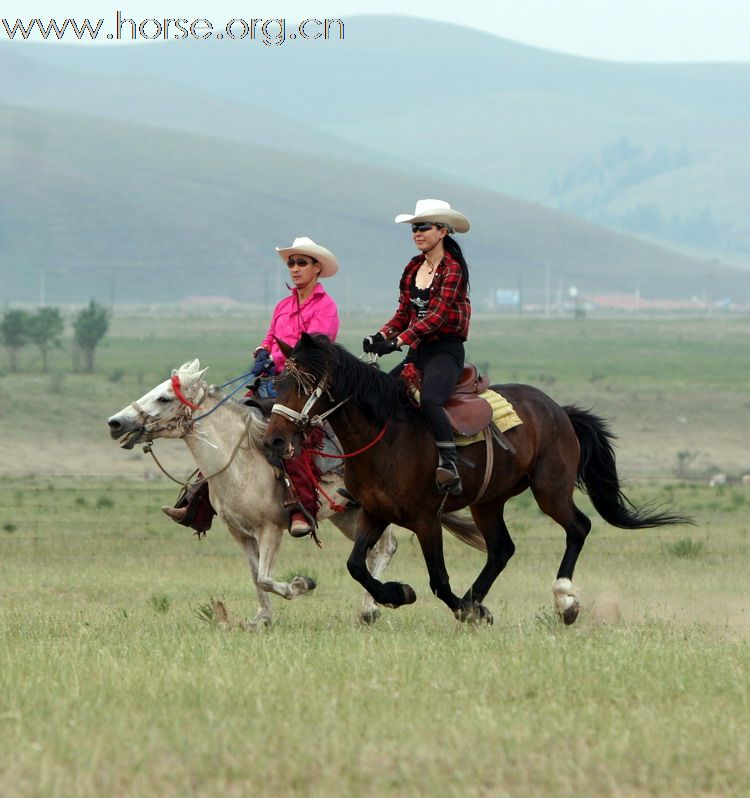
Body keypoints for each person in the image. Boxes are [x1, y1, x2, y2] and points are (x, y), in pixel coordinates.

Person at [163, 236, 340, 539]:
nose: (294, 269)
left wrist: (274, 357)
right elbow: (271, 336)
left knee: (287, 439)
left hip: (303, 387)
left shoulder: (326, 307)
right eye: (291, 263)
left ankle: (301, 508)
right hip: (272, 383)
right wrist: (262, 351)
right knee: (226, 430)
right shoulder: (283, 305)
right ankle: (198, 503)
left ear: (317, 268)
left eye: (301, 263)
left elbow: (313, 348)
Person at [363, 199, 471, 495]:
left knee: (431, 400)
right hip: (418, 350)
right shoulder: (412, 268)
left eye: (423, 227)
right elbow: (402, 314)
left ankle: (450, 465)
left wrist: (397, 341)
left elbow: (436, 316)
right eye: (414, 228)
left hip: (445, 350)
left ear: (443, 231)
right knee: (380, 395)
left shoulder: (453, 269)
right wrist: (380, 335)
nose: (417, 233)